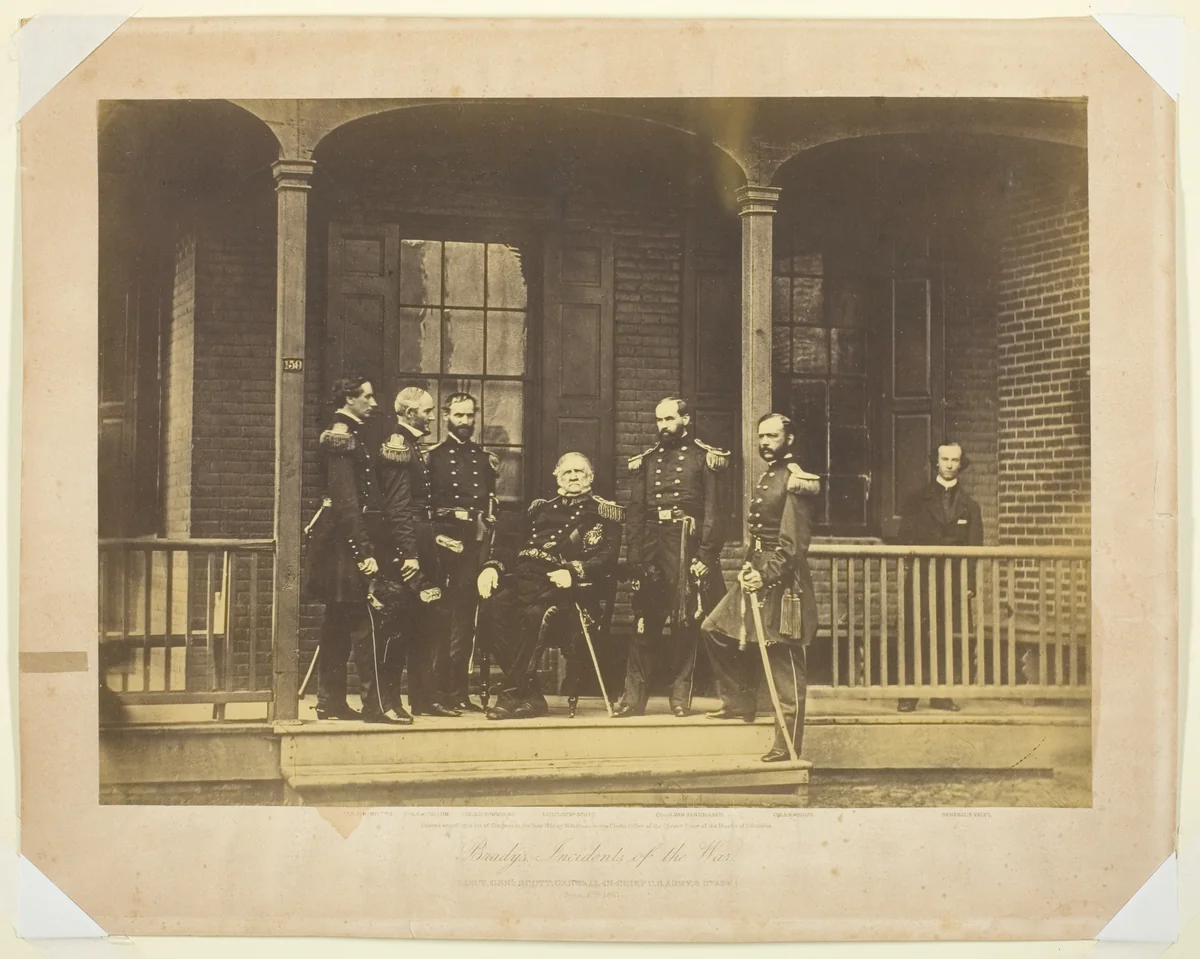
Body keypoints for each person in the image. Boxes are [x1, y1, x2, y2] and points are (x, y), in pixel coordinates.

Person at [700, 413, 820, 763]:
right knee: (713, 629)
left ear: (790, 439)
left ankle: (786, 746)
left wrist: (764, 575)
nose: (765, 442)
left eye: (773, 436)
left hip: (784, 584)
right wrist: (749, 568)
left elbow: (793, 546)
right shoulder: (770, 475)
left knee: (784, 668)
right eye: (761, 436)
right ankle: (739, 701)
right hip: (757, 573)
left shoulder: (796, 480)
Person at [475, 452, 623, 720]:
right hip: (524, 582)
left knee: (536, 616)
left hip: (567, 591)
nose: (574, 477)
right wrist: (491, 567)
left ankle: (509, 695)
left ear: (591, 477)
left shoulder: (603, 512)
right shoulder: (541, 508)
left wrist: (573, 571)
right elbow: (511, 545)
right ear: (557, 477)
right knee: (491, 608)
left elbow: (607, 556)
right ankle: (532, 697)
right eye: (567, 472)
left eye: (580, 472)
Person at [614, 397, 730, 719]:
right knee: (644, 622)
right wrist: (635, 560)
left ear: (685, 419)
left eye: (669, 419)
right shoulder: (647, 461)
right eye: (659, 420)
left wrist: (706, 553)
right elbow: (635, 516)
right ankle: (632, 700)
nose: (663, 426)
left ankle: (680, 698)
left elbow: (714, 512)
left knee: (684, 623)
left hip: (684, 545)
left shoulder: (704, 459)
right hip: (652, 546)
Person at [302, 374, 403, 723]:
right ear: (348, 399)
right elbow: (346, 504)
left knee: (337, 623)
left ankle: (329, 702)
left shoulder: (349, 434)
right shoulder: (341, 438)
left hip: (338, 543)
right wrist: (365, 554)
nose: (373, 404)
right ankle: (375, 706)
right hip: (344, 546)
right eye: (367, 397)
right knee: (366, 622)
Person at [375, 386, 462, 719]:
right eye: (427, 410)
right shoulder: (398, 448)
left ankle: (425, 699)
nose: (431, 415)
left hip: (422, 544)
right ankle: (391, 701)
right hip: (406, 549)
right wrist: (409, 554)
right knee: (400, 624)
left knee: (428, 619)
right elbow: (397, 509)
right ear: (410, 413)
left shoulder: (411, 446)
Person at [894, 440, 983, 713]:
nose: (949, 465)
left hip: (953, 582)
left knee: (950, 634)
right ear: (936, 461)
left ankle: (942, 694)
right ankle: (910, 693)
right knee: (915, 633)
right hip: (922, 578)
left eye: (955, 460)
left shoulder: (970, 505)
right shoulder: (916, 500)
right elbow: (904, 540)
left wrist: (968, 584)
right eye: (945, 459)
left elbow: (974, 548)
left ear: (961, 464)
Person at [425, 392, 498, 713]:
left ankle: (459, 692)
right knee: (442, 618)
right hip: (442, 546)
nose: (465, 422)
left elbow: (490, 505)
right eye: (458, 416)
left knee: (466, 619)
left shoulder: (484, 459)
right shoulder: (433, 457)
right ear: (446, 417)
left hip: (473, 548)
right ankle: (439, 692)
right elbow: (425, 508)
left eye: (470, 416)